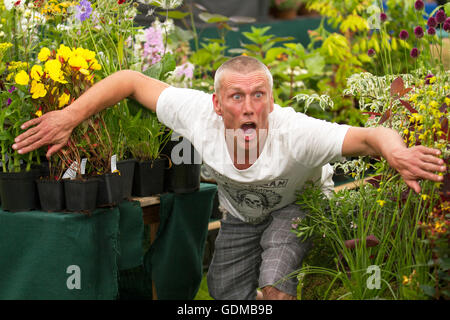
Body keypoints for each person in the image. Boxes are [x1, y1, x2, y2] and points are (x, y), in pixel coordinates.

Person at [12, 56, 446, 300]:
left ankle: (303, 263)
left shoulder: (298, 133)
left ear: (271, 102)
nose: (250, 107)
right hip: (239, 215)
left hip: (301, 209)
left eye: (259, 95)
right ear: (217, 104)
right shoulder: (196, 114)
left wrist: (398, 152)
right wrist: (69, 116)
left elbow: (370, 136)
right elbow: (130, 80)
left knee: (274, 285)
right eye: (237, 96)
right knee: (224, 294)